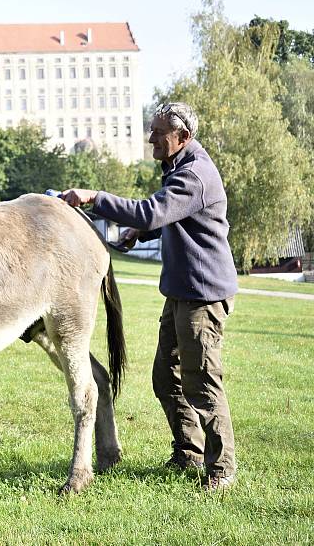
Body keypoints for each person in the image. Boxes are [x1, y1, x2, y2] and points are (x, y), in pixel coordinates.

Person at [62, 102, 238, 491]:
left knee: (202, 383)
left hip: (202, 299)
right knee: (166, 377)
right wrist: (142, 234)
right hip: (181, 293)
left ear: (183, 138)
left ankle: (221, 469)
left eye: (158, 133)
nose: (151, 138)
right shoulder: (180, 167)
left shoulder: (195, 174)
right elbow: (171, 218)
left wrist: (94, 197)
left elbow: (150, 211)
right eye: (152, 130)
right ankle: (188, 451)